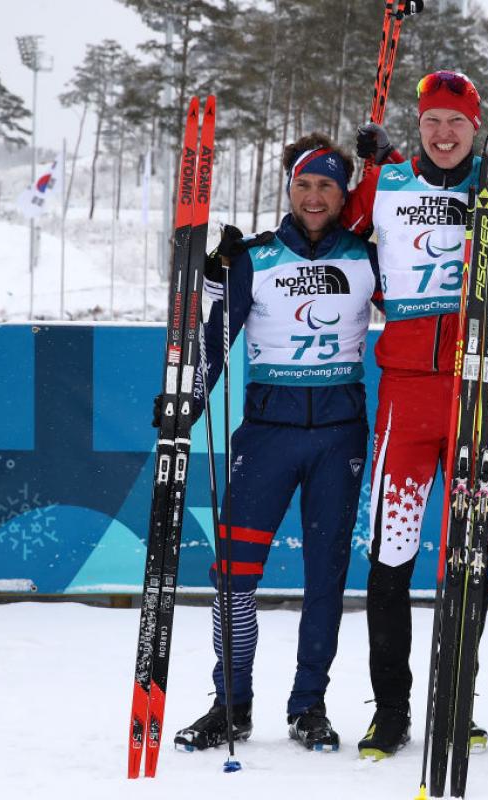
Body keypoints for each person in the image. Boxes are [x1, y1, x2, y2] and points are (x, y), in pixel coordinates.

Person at [344, 70, 488, 759]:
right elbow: (323, 226)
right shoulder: (387, 183)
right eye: (432, 120)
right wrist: (359, 163)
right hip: (406, 394)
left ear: (474, 125)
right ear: (419, 125)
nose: (444, 133)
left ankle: (456, 695)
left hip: (477, 393)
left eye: (456, 121)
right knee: (391, 554)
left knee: (469, 554)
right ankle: (392, 710)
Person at [169, 132, 379, 754]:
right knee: (234, 575)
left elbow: (421, 317)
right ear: (289, 188)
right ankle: (230, 703)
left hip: (339, 434)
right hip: (266, 435)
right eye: (304, 184)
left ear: (344, 195)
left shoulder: (368, 259)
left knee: (325, 579)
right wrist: (184, 408)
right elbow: (214, 340)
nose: (314, 196)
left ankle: (308, 704)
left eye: (327, 186)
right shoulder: (256, 258)